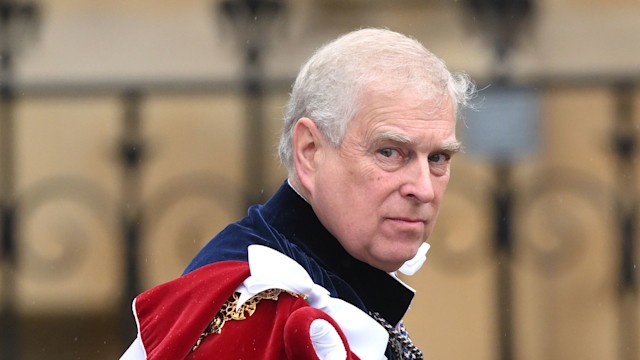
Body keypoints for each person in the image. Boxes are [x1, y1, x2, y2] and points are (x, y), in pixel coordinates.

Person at [121, 27, 473, 360]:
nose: (424, 189)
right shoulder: (262, 309)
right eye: (389, 152)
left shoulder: (335, 277)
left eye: (438, 158)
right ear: (309, 151)